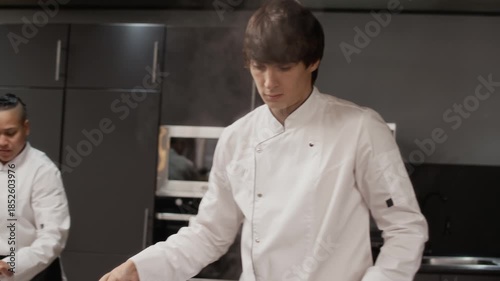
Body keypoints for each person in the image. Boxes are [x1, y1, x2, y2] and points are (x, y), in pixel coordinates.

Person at [100, 1, 428, 280]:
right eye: (259, 67)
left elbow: (404, 228)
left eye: (284, 68)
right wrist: (139, 269)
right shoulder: (237, 138)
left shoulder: (360, 129)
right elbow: (209, 234)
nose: (269, 83)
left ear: (313, 62)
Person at [0, 93, 70, 281]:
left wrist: (11, 263)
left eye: (10, 133)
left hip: (34, 270)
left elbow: (52, 237)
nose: (2, 142)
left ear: (26, 128)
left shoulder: (43, 170)